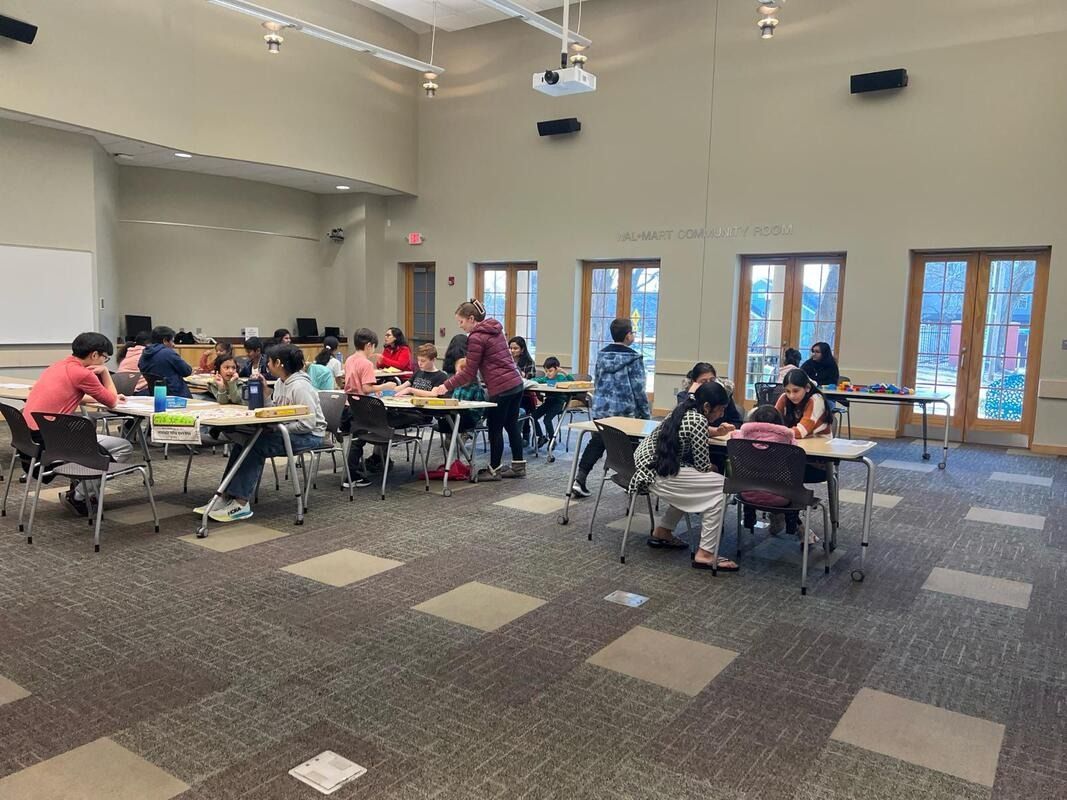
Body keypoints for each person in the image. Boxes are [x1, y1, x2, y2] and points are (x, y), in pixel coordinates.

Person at [194, 344, 325, 523]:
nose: (267, 365)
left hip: (310, 436)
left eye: (269, 361)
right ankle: (224, 496)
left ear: (278, 363)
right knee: (244, 441)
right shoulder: (280, 383)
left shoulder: (301, 386)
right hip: (286, 430)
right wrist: (265, 394)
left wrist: (277, 427)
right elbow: (277, 411)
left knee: (255, 445)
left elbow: (308, 424)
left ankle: (241, 502)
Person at [631, 381, 738, 572]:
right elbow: (704, 466)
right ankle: (705, 553)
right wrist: (713, 468)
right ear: (707, 407)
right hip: (656, 472)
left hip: (646, 467)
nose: (722, 414)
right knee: (724, 487)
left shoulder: (683, 410)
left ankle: (663, 530)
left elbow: (692, 430)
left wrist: (716, 431)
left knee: (693, 488)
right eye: (720, 409)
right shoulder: (698, 420)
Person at [22, 332, 133, 516]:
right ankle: (80, 496)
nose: (105, 362)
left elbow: (70, 393)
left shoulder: (58, 366)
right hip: (52, 443)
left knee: (100, 442)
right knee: (123, 447)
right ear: (95, 355)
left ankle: (80, 486)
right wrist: (105, 373)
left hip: (31, 440)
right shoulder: (82, 374)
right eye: (105, 358)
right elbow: (113, 402)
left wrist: (95, 396)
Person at [432, 300, 525, 480]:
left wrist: (445, 386)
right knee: (512, 425)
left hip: (501, 387)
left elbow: (468, 373)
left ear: (471, 319)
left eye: (461, 321)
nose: (460, 326)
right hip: (516, 383)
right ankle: (518, 466)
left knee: (495, 427)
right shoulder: (494, 329)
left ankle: (494, 469)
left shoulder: (475, 337)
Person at [570, 318, 651, 498]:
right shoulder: (634, 358)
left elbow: (598, 383)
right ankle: (633, 481)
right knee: (634, 447)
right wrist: (646, 415)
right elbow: (639, 390)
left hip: (602, 411)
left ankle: (579, 479)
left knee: (597, 442)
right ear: (628, 335)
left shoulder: (601, 355)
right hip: (626, 415)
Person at [341, 327, 399, 486]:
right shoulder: (365, 363)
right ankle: (352, 475)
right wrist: (384, 386)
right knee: (358, 440)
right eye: (373, 346)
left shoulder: (350, 359)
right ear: (368, 345)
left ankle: (355, 471)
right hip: (362, 406)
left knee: (356, 438)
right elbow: (366, 388)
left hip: (349, 403)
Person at [732, 404, 798, 538]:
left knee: (752, 476)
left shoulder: (742, 437)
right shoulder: (788, 439)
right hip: (781, 497)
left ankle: (749, 517)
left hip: (747, 494)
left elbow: (733, 436)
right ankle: (790, 522)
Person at [676, 362, 742, 427]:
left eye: (712, 380)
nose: (709, 384)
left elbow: (736, 421)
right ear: (694, 382)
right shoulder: (684, 396)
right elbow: (685, 424)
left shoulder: (724, 395)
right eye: (703, 381)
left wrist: (728, 428)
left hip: (721, 436)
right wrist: (690, 394)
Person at [776, 368, 833, 439]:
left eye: (796, 391)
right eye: (787, 391)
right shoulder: (784, 397)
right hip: (796, 441)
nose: (791, 396)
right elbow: (772, 421)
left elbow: (800, 432)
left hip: (819, 443)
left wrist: (776, 431)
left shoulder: (816, 399)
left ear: (807, 388)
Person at [138, 325, 192, 398]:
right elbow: (187, 371)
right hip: (177, 398)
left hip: (157, 397)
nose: (174, 345)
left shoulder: (143, 355)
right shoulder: (168, 353)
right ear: (165, 341)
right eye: (172, 341)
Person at [530, 356, 573, 447]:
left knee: (547, 420)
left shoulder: (561, 378)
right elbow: (533, 380)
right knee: (533, 417)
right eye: (546, 371)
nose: (548, 373)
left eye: (550, 371)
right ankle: (541, 437)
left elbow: (572, 382)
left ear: (557, 369)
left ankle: (552, 440)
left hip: (559, 403)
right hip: (548, 402)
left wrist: (563, 371)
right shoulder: (546, 379)